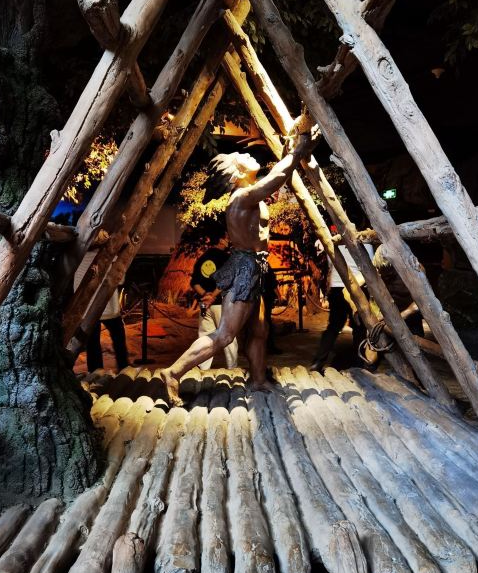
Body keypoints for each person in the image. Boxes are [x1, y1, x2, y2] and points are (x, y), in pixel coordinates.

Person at [161, 126, 319, 404]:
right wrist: (296, 153)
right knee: (225, 334)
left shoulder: (250, 194)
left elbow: (275, 177)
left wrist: (290, 151)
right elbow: (276, 178)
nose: (245, 155)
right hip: (246, 267)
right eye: (239, 157)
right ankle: (173, 373)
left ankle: (258, 379)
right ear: (235, 175)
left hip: (255, 267)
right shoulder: (243, 196)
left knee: (259, 330)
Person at [310, 233, 375, 372]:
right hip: (358, 287)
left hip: (337, 287)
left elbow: (331, 265)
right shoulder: (365, 243)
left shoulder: (334, 243)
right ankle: (359, 363)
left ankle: (318, 362)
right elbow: (369, 267)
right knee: (359, 328)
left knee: (333, 326)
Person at [74, 252, 129, 371]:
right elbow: (120, 280)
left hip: (92, 308)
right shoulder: (111, 256)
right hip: (108, 308)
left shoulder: (81, 257)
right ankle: (123, 369)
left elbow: (76, 285)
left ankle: (96, 373)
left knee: (93, 344)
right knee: (118, 341)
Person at [190, 242, 238, 369]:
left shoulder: (202, 258)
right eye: (226, 238)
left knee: (205, 336)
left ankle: (203, 368)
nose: (228, 241)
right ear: (221, 240)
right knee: (228, 336)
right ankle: (232, 368)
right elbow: (226, 280)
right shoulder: (225, 257)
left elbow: (194, 283)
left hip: (204, 304)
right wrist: (213, 297)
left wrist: (205, 295)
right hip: (221, 304)